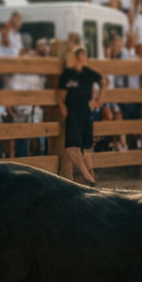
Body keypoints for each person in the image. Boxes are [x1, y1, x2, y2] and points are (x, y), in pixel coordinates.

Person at [57, 45, 102, 186]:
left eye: (83, 57)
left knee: (81, 147)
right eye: (80, 57)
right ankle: (89, 177)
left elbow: (103, 82)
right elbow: (61, 95)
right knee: (75, 146)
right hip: (74, 111)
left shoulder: (87, 73)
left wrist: (97, 100)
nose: (82, 59)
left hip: (83, 111)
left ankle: (89, 176)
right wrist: (63, 109)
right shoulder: (69, 74)